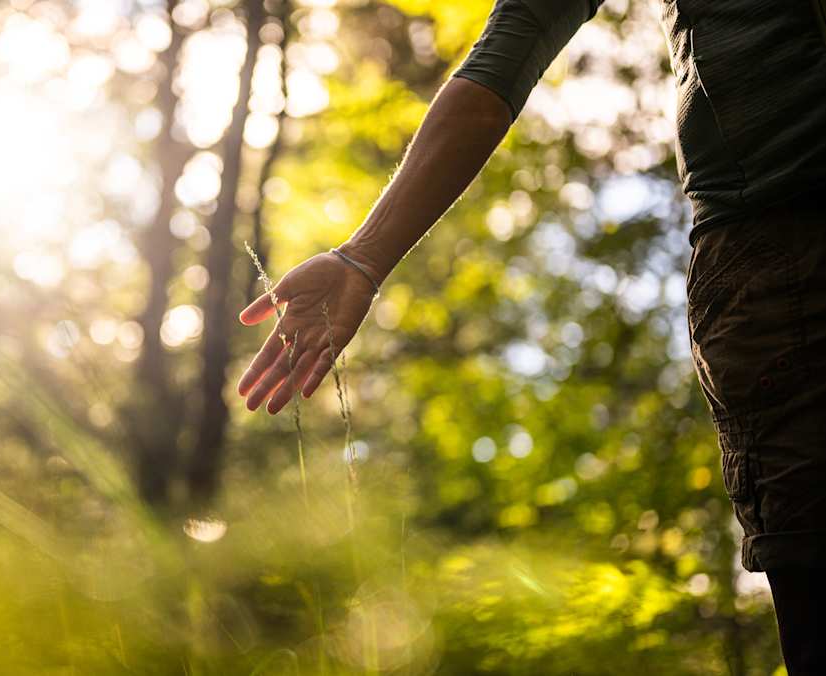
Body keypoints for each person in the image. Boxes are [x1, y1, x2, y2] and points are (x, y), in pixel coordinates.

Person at [234, 0, 826, 671]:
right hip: (776, 258)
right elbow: (508, 53)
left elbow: (509, 51)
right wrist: (361, 258)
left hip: (771, 260)